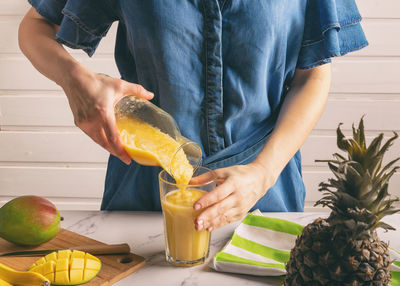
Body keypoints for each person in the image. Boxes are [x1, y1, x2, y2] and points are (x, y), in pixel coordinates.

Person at [19, 0, 368, 232]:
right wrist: (77, 81)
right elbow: (35, 27)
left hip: (266, 191)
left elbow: (313, 73)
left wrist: (263, 173)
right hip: (143, 194)